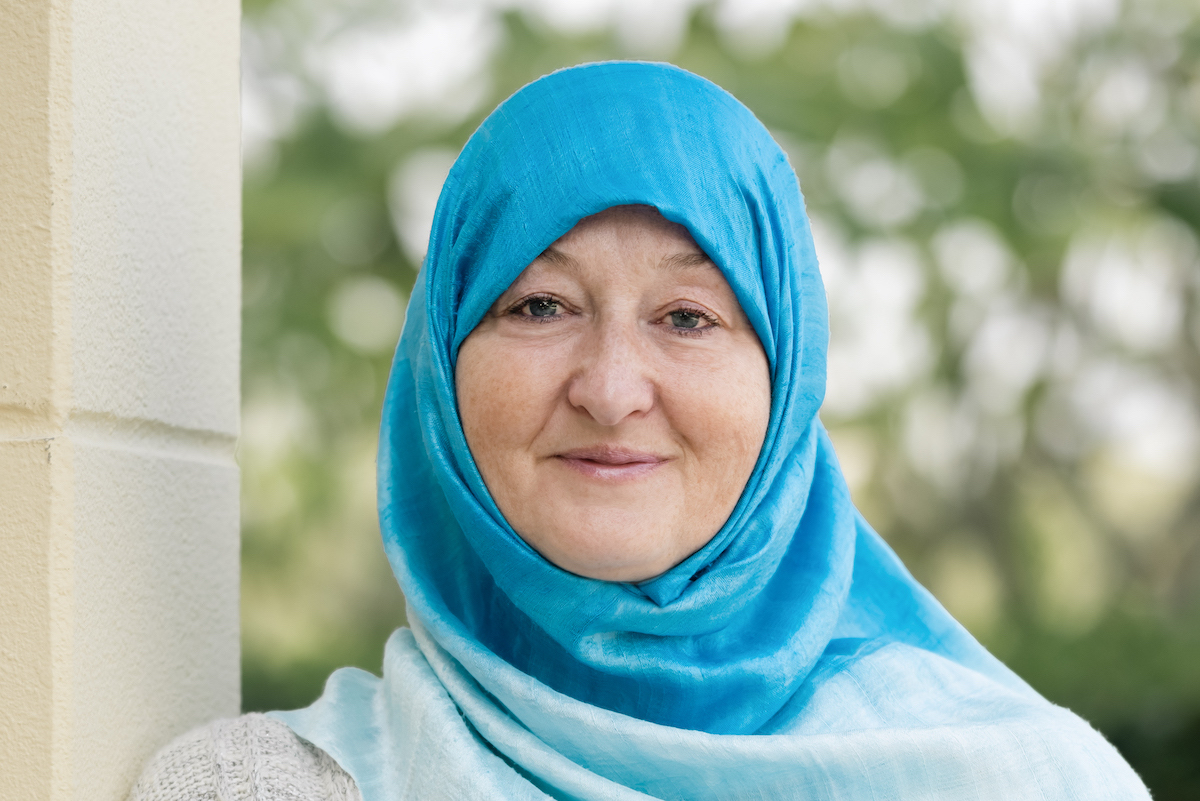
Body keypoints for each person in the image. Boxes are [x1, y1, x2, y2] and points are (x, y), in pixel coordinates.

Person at [129, 62, 1149, 800]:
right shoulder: (257, 790)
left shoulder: (1028, 782)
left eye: (689, 318)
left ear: (784, 382)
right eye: (538, 306)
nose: (612, 390)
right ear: (441, 367)